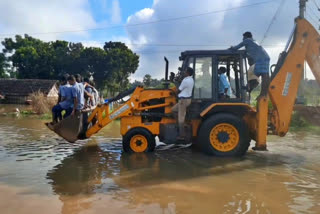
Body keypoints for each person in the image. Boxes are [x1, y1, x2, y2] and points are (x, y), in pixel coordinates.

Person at [230, 31, 270, 98]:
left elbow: (237, 47)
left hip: (262, 59)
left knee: (264, 76)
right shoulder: (253, 42)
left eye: (243, 38)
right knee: (264, 75)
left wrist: (232, 48)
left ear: (246, 37)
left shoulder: (247, 40)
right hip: (263, 58)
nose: (243, 39)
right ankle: (264, 93)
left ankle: (263, 94)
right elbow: (247, 52)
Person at [171, 67, 194, 140]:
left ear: (187, 73)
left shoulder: (185, 80)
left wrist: (173, 92)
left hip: (183, 101)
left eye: (185, 71)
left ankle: (182, 135)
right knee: (173, 110)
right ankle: (184, 125)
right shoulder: (191, 79)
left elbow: (179, 90)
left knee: (181, 118)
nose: (184, 72)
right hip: (187, 100)